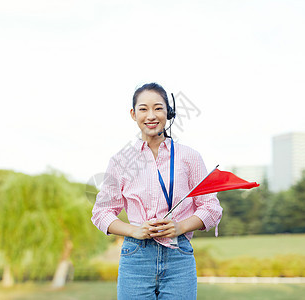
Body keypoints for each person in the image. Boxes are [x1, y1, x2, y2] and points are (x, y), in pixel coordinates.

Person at [91, 82, 223, 299]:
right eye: (143, 109)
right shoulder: (120, 162)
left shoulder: (189, 157)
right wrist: (134, 231)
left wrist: (179, 226)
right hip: (135, 256)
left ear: (168, 113)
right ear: (133, 114)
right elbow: (101, 213)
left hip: (179, 256)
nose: (151, 115)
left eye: (158, 108)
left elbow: (211, 207)